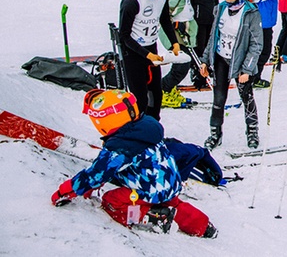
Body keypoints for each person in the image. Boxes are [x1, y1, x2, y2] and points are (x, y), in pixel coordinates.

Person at [52, 89, 216, 237]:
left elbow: (96, 175)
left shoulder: (121, 146)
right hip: (170, 183)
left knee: (112, 201)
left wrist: (66, 190)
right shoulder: (146, 127)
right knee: (175, 204)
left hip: (147, 190)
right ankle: (203, 226)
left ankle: (152, 217)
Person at [200, 0, 263, 149]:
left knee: (247, 98)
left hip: (241, 63)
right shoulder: (220, 8)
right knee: (218, 99)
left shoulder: (251, 13)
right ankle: (215, 134)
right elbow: (213, 37)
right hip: (221, 60)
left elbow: (256, 44)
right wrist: (205, 60)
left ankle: (252, 132)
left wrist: (247, 70)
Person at [118, 0, 183, 120]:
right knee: (140, 98)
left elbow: (165, 19)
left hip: (150, 48)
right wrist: (147, 55)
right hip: (133, 51)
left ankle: (154, 126)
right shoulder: (132, 1)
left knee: (155, 94)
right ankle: (139, 128)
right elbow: (124, 36)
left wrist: (174, 42)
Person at [246, 0, 287, 88]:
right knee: (263, 52)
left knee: (255, 50)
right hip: (263, 20)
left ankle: (251, 76)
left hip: (254, 18)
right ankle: (254, 78)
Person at [159, 0, 198, 108]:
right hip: (175, 38)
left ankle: (169, 90)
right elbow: (165, 14)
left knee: (182, 66)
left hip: (183, 38)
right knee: (181, 67)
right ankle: (162, 90)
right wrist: (176, 24)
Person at [188, 0, 218, 89]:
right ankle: (197, 75)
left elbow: (216, 2)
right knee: (199, 49)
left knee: (209, 48)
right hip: (198, 24)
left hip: (210, 23)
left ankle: (209, 69)